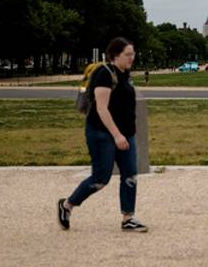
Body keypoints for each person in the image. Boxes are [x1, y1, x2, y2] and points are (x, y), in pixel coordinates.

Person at [57, 37, 148, 232]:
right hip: (102, 134)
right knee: (100, 179)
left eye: (133, 54)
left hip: (126, 134)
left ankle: (128, 218)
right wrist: (117, 135)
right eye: (128, 54)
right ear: (115, 55)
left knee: (130, 175)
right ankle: (67, 205)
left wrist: (126, 133)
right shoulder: (104, 74)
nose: (132, 57)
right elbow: (101, 109)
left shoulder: (125, 74)